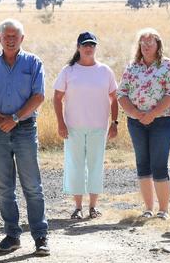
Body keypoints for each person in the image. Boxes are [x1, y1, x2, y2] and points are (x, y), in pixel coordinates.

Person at [0, 18, 50, 256]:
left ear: (21, 39)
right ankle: (12, 235)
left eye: (14, 36)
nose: (10, 39)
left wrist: (15, 118)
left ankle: (40, 236)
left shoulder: (33, 62)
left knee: (32, 186)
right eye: (5, 36)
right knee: (4, 186)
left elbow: (39, 96)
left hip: (25, 128)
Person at [117, 28, 170, 220]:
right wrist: (136, 113)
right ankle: (147, 209)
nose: (145, 47)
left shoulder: (168, 65)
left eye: (150, 43)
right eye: (142, 43)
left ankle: (163, 210)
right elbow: (121, 94)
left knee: (159, 164)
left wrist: (152, 114)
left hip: (163, 120)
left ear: (158, 45)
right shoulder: (132, 67)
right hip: (136, 122)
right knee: (143, 164)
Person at [53, 31, 119, 220]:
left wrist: (114, 123)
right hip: (73, 127)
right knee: (76, 166)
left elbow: (114, 99)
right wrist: (60, 123)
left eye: (92, 45)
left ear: (95, 47)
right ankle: (77, 207)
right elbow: (57, 98)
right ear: (78, 47)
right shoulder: (69, 71)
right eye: (85, 45)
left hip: (99, 127)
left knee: (95, 165)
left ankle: (93, 207)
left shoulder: (105, 71)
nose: (88, 48)